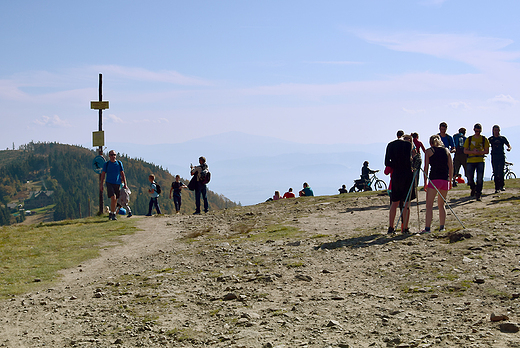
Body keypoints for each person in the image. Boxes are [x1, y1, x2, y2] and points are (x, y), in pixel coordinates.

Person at [421, 135, 453, 234]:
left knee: (429, 205)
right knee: (441, 205)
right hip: (444, 180)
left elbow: (426, 167)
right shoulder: (447, 151)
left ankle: (427, 228)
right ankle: (442, 227)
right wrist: (450, 181)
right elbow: (451, 167)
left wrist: (425, 182)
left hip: (434, 179)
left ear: (430, 142)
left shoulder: (428, 151)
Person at [385, 132, 414, 234]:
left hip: (396, 175)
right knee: (406, 202)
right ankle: (405, 227)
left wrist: (395, 164)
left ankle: (391, 227)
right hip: (407, 174)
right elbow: (411, 160)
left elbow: (387, 162)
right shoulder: (408, 145)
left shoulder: (390, 145)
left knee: (394, 202)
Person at [464, 123, 490, 201]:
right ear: (474, 130)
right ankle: (473, 187)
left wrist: (479, 152)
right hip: (470, 160)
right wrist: (472, 151)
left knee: (479, 178)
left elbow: (487, 151)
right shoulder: (469, 139)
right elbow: (465, 150)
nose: (477, 132)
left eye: (479, 131)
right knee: (469, 176)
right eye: (476, 131)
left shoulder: (484, 139)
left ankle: (478, 193)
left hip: (480, 160)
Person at [100, 150, 128, 221]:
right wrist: (101, 184)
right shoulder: (106, 164)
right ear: (109, 156)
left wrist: (125, 184)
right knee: (113, 197)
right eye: (111, 155)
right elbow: (103, 174)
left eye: (114, 155)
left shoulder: (119, 163)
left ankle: (112, 212)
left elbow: (122, 174)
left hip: (117, 183)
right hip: (109, 183)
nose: (113, 156)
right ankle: (113, 214)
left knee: (115, 199)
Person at [488, 125, 512, 193]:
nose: (496, 132)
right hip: (494, 156)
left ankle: (502, 186)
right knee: (495, 172)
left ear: (499, 130)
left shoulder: (502, 138)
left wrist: (509, 148)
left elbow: (508, 145)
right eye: (495, 130)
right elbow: (485, 145)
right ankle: (497, 188)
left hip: (501, 156)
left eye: (497, 130)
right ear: (493, 131)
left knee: (501, 171)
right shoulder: (491, 139)